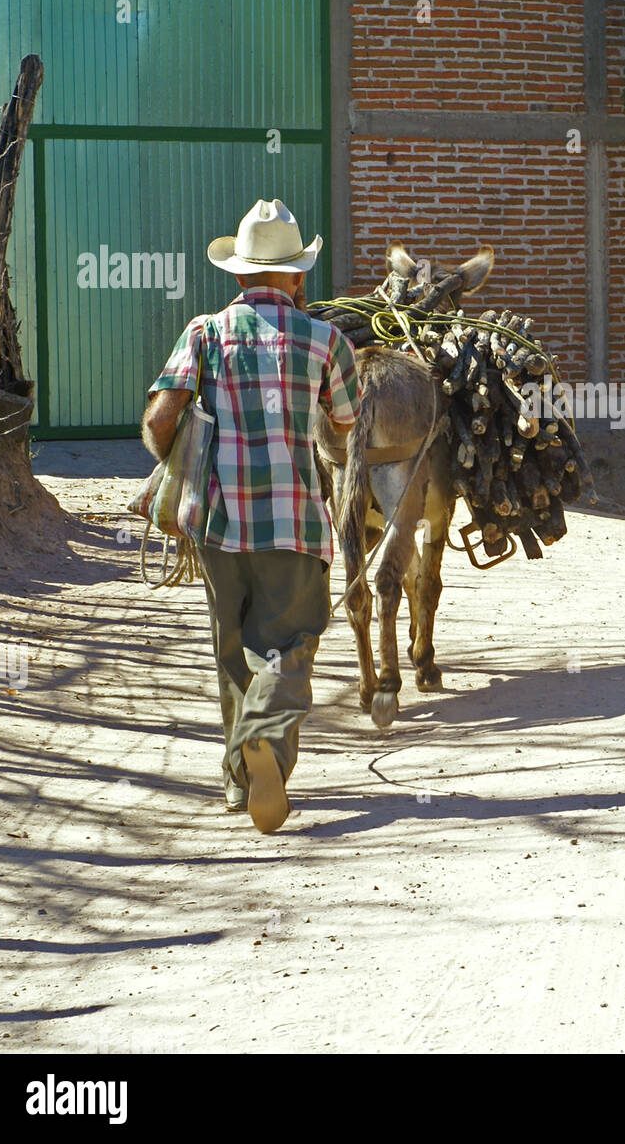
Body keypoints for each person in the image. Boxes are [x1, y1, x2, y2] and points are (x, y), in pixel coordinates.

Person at [141, 199, 361, 833]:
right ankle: (263, 744)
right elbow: (344, 431)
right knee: (289, 645)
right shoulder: (326, 341)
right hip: (294, 523)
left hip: (216, 523)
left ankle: (240, 785)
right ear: (295, 277)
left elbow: (161, 421)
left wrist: (176, 470)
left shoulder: (203, 333)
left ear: (239, 276)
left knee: (233, 650)